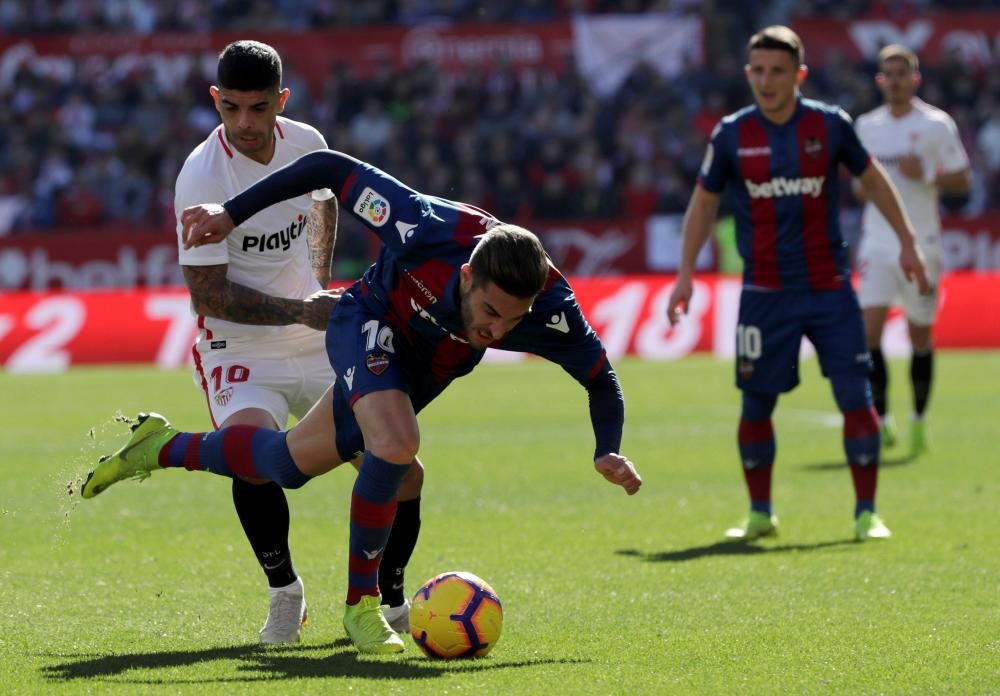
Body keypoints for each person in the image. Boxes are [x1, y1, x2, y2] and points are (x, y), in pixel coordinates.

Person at [82, 149, 643, 655]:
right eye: (490, 312)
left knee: (285, 464)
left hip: (425, 365)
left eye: (512, 320)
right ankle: (363, 607)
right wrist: (231, 213)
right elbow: (328, 167)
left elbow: (600, 378)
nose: (497, 330)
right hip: (368, 318)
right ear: (467, 274)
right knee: (398, 445)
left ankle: (159, 447)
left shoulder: (551, 309)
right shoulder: (425, 228)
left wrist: (607, 449)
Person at [159, 40, 422, 644]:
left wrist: (317, 280)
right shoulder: (200, 177)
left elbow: (325, 200)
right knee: (251, 459)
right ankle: (285, 594)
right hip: (240, 345)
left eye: (258, 108)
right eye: (231, 109)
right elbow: (209, 297)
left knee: (403, 469)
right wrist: (301, 307)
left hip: (314, 332)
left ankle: (391, 599)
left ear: (282, 100)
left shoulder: (307, 144)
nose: (245, 123)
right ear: (214, 101)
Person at [666, 26, 929, 543]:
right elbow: (703, 203)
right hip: (764, 294)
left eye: (778, 71)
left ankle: (866, 513)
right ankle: (760, 512)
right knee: (756, 404)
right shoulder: (732, 134)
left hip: (829, 290)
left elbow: (874, 180)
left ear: (799, 75)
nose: (766, 80)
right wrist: (685, 274)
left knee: (857, 400)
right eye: (758, 71)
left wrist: (907, 240)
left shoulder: (830, 126)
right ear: (747, 74)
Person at [853, 44, 971, 456]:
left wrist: (927, 174)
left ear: (915, 79)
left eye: (904, 73)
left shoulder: (936, 125)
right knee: (868, 332)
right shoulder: (867, 126)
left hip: (923, 243)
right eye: (889, 73)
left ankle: (918, 419)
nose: (896, 80)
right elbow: (856, 184)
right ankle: (882, 420)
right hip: (876, 241)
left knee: (920, 333)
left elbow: (962, 183)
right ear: (880, 80)